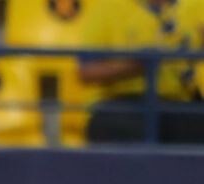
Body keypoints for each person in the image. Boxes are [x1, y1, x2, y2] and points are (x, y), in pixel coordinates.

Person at [80, 0, 204, 144]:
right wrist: (133, 65)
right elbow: (86, 72)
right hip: (124, 103)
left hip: (181, 104)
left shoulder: (197, 7)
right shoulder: (108, 7)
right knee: (114, 126)